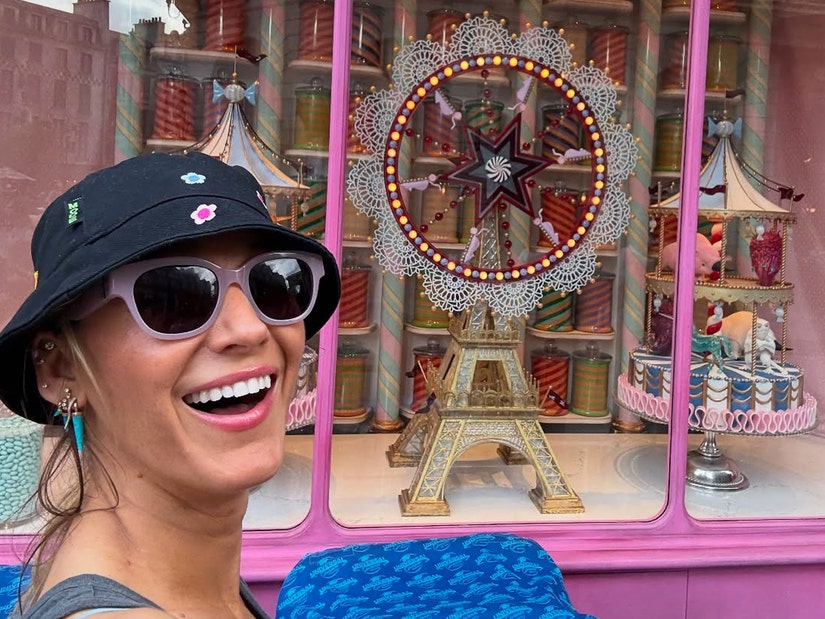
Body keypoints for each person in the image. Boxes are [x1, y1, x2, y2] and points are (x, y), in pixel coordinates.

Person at [0, 152, 341, 618]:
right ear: (61, 369)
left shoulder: (183, 580)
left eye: (273, 282)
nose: (250, 329)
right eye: (174, 296)